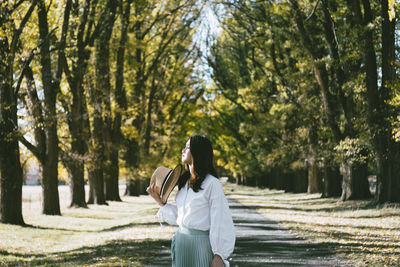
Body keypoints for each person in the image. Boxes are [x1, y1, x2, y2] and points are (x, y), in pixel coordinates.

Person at [147, 134, 235, 267]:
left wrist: (219, 255)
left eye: (187, 147)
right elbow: (182, 217)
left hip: (201, 245)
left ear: (197, 152)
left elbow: (221, 219)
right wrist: (160, 202)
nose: (183, 150)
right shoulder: (184, 183)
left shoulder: (212, 184)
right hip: (182, 243)